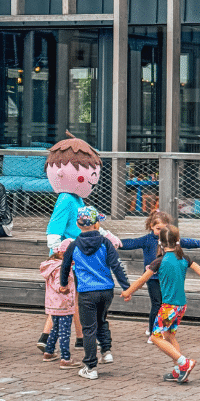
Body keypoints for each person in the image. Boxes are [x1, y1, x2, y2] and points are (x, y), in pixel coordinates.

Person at [38, 132, 121, 352]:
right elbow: (54, 228)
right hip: (68, 255)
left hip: (78, 252)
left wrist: (107, 235)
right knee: (71, 297)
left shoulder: (77, 198)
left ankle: (55, 337)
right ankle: (65, 337)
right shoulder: (65, 198)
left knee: (70, 298)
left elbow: (89, 222)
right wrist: (56, 253)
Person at [122, 225, 200, 384]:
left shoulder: (159, 261)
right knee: (169, 336)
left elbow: (141, 280)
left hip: (168, 307)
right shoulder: (184, 258)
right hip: (181, 306)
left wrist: (127, 292)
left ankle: (184, 363)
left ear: (160, 242)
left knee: (156, 336)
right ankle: (179, 371)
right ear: (177, 240)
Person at [59, 206, 130, 380]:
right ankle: (106, 351)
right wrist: (126, 287)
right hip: (106, 290)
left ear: (78, 224)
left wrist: (63, 285)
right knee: (101, 320)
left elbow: (65, 266)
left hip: (86, 292)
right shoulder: (105, 243)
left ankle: (90, 367)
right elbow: (116, 265)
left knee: (89, 328)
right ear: (97, 224)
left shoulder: (73, 245)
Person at [119, 210, 200, 344]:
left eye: (163, 229)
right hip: (152, 278)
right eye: (158, 229)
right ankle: (152, 332)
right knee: (157, 304)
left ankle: (159, 328)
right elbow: (131, 243)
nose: (160, 232)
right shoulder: (147, 240)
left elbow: (186, 242)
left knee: (165, 304)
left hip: (166, 279)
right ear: (151, 226)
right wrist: (115, 243)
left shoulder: (169, 240)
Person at [40, 239, 82, 370]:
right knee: (65, 332)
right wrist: (62, 288)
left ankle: (49, 351)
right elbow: (59, 282)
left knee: (56, 328)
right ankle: (65, 358)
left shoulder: (51, 265)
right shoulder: (62, 267)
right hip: (64, 304)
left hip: (53, 304)